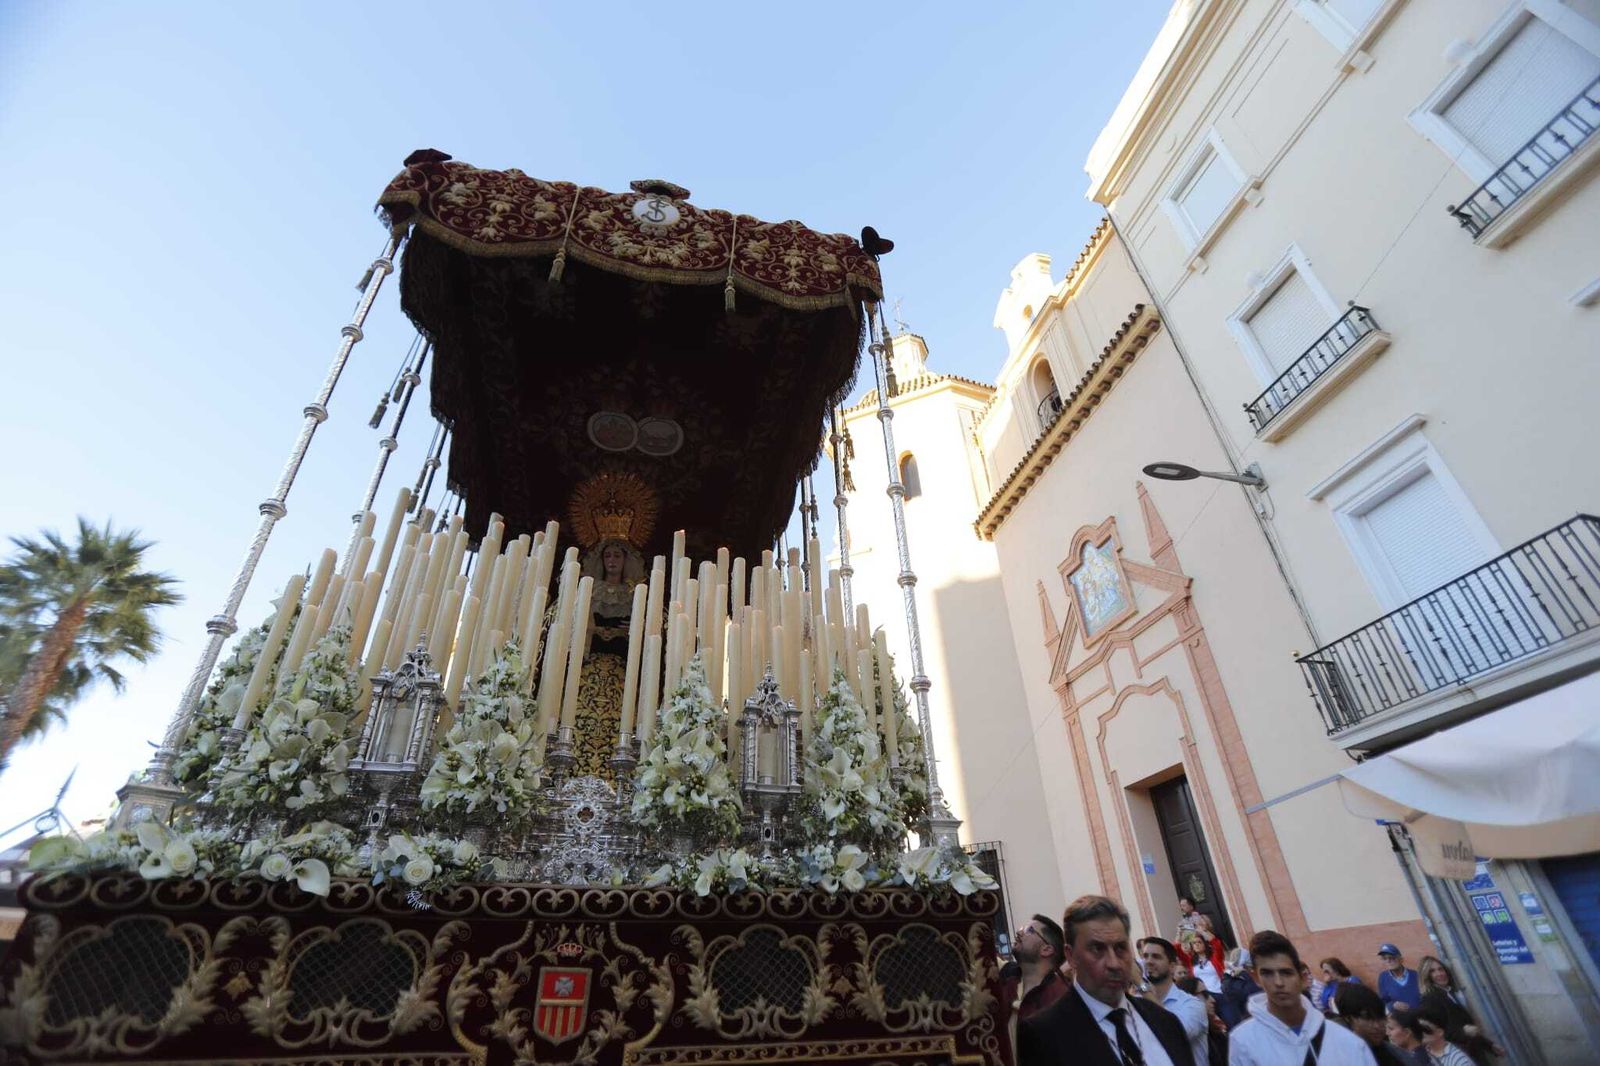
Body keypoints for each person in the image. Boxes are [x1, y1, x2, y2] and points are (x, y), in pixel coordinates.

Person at [1019, 894, 1196, 1066]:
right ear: (1071, 956)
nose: (1113, 963)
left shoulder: (1165, 1022)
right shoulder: (1043, 1034)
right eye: (1097, 949)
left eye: (1120, 948)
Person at [1227, 929, 1375, 1065]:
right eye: (1267, 974)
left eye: (1286, 973)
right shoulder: (1243, 1041)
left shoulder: (1346, 1041)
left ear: (1302, 977)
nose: (1278, 983)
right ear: (1256, 978)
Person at [571, 536, 646, 778]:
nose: (612, 560)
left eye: (617, 555)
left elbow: (649, 631)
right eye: (608, 555)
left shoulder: (636, 594)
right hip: (588, 673)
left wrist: (633, 630)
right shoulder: (588, 590)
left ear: (626, 560)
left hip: (622, 673)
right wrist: (591, 629)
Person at [1140, 936, 1209, 1066]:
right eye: (1145, 956)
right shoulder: (1138, 1004)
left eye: (1156, 957)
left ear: (1172, 967)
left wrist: (1140, 984)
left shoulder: (1192, 1004)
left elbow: (1175, 1034)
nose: (1148, 961)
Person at [1417, 957, 1500, 1065]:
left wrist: (1489, 1045)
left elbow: (1463, 1025)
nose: (1439, 973)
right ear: (1426, 976)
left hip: (1472, 1052)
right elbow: (1436, 1033)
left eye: (1441, 969)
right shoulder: (1430, 999)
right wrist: (1463, 1032)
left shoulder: (1448, 994)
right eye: (1432, 971)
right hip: (1458, 1056)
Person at [1006, 915, 1071, 1022]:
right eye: (1023, 928)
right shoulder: (1006, 976)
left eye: (1029, 930)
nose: (1019, 932)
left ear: (1046, 949)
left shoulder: (1060, 1000)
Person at [1336, 982, 1416, 1066]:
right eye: (1368, 1018)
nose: (1377, 1026)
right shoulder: (1341, 1057)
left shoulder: (1398, 1055)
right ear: (1349, 1018)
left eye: (1380, 1017)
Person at [1216, 948, 1260, 1030]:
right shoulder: (1232, 980)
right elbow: (1253, 991)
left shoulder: (1229, 977)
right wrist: (1244, 973)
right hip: (1249, 1019)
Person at [1377, 944, 1422, 1012]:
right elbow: (1384, 1001)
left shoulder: (1416, 975)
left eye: (1392, 957)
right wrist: (1392, 1005)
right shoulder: (1383, 978)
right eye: (1384, 958)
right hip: (1401, 1020)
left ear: (1401, 959)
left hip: (1421, 1017)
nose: (1388, 961)